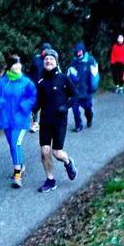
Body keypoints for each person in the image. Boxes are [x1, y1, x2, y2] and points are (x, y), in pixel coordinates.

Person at [0, 55, 37, 188]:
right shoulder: (2, 82)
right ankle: (21, 165)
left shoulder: (26, 82)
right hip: (6, 119)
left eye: (19, 63)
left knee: (15, 144)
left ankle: (17, 174)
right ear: (9, 66)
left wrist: (24, 106)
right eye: (15, 63)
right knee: (13, 145)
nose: (18, 66)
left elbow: (33, 97)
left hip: (20, 119)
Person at [36, 49, 78, 193]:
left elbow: (75, 95)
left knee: (57, 152)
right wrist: (31, 114)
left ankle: (68, 162)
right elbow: (37, 103)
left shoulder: (64, 78)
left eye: (51, 59)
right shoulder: (41, 82)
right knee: (44, 151)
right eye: (46, 59)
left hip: (60, 121)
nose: (48, 61)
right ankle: (50, 180)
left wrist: (65, 106)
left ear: (56, 62)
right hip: (45, 121)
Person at [67, 41, 99, 132]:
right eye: (77, 51)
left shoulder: (90, 61)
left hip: (86, 91)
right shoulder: (74, 62)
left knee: (88, 109)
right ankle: (78, 125)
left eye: (80, 51)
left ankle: (89, 118)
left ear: (83, 50)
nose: (78, 53)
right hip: (76, 91)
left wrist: (92, 88)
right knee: (75, 109)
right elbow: (69, 76)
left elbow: (94, 76)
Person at [27, 42, 52, 133]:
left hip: (46, 86)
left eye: (47, 50)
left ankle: (46, 123)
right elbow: (30, 71)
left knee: (47, 105)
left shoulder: (51, 60)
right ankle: (35, 124)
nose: (45, 51)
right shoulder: (36, 59)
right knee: (35, 106)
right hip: (35, 87)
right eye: (44, 50)